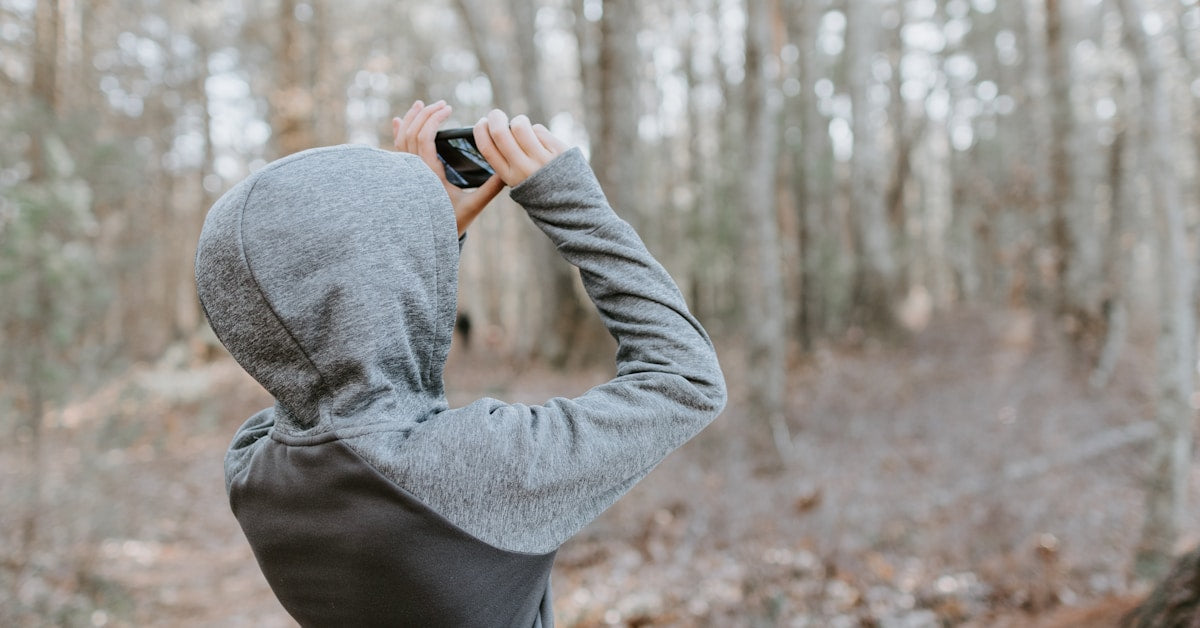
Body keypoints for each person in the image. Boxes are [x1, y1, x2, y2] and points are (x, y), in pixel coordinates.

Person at [194, 100, 726, 627]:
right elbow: (685, 377)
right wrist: (568, 201)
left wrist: (429, 236)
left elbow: (317, 354)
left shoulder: (252, 471)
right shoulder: (480, 468)